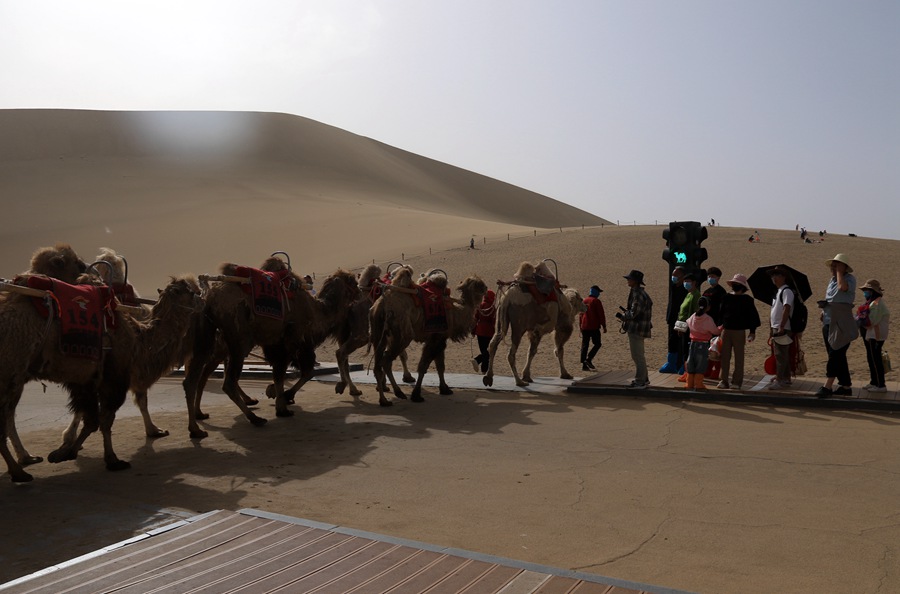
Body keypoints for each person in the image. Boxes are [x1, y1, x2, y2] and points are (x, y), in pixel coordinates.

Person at [815, 254, 857, 398]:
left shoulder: (849, 279)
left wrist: (840, 272)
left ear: (844, 267)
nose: (833, 268)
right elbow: (830, 298)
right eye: (833, 265)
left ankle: (828, 386)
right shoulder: (832, 280)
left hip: (841, 323)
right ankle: (845, 385)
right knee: (837, 354)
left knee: (835, 353)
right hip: (828, 320)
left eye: (836, 265)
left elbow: (842, 287)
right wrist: (823, 310)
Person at [717, 273, 760, 390]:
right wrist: (718, 328)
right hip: (726, 331)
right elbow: (721, 314)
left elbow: (753, 317)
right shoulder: (726, 297)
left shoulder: (747, 300)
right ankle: (723, 380)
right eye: (734, 284)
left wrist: (752, 331)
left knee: (739, 358)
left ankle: (737, 382)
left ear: (742, 286)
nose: (735, 285)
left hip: (739, 331)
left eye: (737, 284)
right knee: (725, 357)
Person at [859, 280, 890, 392]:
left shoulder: (876, 303)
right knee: (871, 357)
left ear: (872, 291)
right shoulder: (873, 302)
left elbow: (872, 321)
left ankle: (881, 385)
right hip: (872, 334)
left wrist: (860, 320)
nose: (865, 293)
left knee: (876, 358)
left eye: (866, 290)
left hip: (876, 335)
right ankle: (874, 382)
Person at [623, 270, 653, 389]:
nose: (628, 281)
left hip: (637, 328)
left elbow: (634, 312)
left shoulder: (638, 294)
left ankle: (640, 381)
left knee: (637, 355)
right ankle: (643, 379)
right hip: (640, 328)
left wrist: (624, 316)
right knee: (639, 355)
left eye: (629, 279)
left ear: (635, 281)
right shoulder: (640, 293)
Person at [684, 296, 721, 390]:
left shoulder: (693, 316)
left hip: (693, 343)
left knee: (691, 362)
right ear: (708, 307)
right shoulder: (707, 319)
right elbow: (715, 331)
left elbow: (688, 323)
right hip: (703, 344)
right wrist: (721, 328)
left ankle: (689, 383)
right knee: (701, 364)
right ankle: (698, 384)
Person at [768, 267, 794, 390]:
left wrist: (781, 326)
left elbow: (786, 308)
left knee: (780, 354)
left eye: (777, 275)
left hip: (782, 327)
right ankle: (785, 377)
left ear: (784, 277)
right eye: (773, 275)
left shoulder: (786, 291)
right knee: (782, 354)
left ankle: (780, 380)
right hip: (777, 326)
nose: (774, 278)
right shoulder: (778, 291)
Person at [660, 266, 687, 373]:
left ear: (682, 277)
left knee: (683, 342)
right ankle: (671, 363)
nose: (673, 277)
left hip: (681, 319)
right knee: (672, 341)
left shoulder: (685, 290)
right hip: (672, 319)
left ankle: (683, 366)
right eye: (673, 275)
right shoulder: (673, 287)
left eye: (676, 275)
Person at [676, 272, 701, 382]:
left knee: (688, 351)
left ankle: (689, 373)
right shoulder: (688, 294)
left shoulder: (696, 295)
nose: (686, 284)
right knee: (684, 350)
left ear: (694, 283)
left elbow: (693, 314)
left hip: (690, 328)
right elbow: (682, 312)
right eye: (685, 282)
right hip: (683, 326)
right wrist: (680, 327)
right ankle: (686, 372)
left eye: (688, 282)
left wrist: (685, 327)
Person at [579, 285, 607, 371]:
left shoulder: (584, 301)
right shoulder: (596, 301)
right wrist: (604, 326)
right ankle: (588, 359)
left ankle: (584, 365)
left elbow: (580, 315)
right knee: (597, 344)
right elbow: (601, 314)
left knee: (585, 345)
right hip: (594, 326)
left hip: (584, 327)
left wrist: (580, 326)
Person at [472, 289, 496, 373]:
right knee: (488, 352)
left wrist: (473, 331)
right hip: (489, 331)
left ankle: (484, 370)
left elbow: (475, 319)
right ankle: (477, 360)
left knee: (484, 351)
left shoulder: (480, 305)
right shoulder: (492, 308)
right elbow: (494, 321)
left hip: (479, 331)